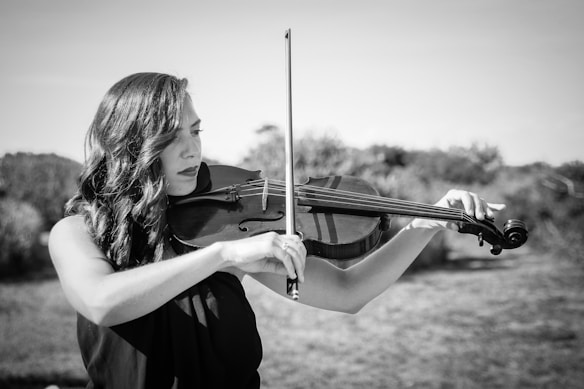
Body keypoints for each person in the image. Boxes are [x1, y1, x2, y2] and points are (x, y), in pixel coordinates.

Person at [49, 72, 505, 388]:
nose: (193, 151)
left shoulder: (226, 226)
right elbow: (101, 302)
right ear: (133, 145)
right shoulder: (77, 232)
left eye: (196, 131)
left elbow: (348, 292)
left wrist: (424, 222)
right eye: (172, 137)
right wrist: (225, 257)